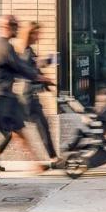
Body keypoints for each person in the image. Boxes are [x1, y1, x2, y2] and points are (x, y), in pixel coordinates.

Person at [0, 14, 52, 177]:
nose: (17, 29)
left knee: (1, 131)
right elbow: (19, 66)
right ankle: (35, 165)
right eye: (14, 25)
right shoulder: (5, 47)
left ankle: (34, 164)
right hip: (2, 96)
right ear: (7, 27)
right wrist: (39, 77)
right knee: (14, 131)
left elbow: (17, 67)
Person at [17, 21, 60, 168]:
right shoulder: (26, 52)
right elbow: (31, 72)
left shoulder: (28, 50)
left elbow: (35, 66)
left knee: (14, 129)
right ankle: (53, 158)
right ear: (31, 34)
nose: (39, 36)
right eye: (37, 33)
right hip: (28, 97)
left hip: (28, 95)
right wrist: (46, 79)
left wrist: (47, 81)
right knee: (43, 126)